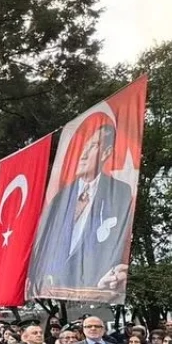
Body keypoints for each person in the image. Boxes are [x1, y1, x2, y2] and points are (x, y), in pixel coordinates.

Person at [28, 122, 135, 295]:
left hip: (96, 287)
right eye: (83, 147)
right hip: (56, 286)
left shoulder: (119, 192)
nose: (83, 155)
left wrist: (110, 275)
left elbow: (117, 243)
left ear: (106, 153)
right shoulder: (60, 199)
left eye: (92, 146)